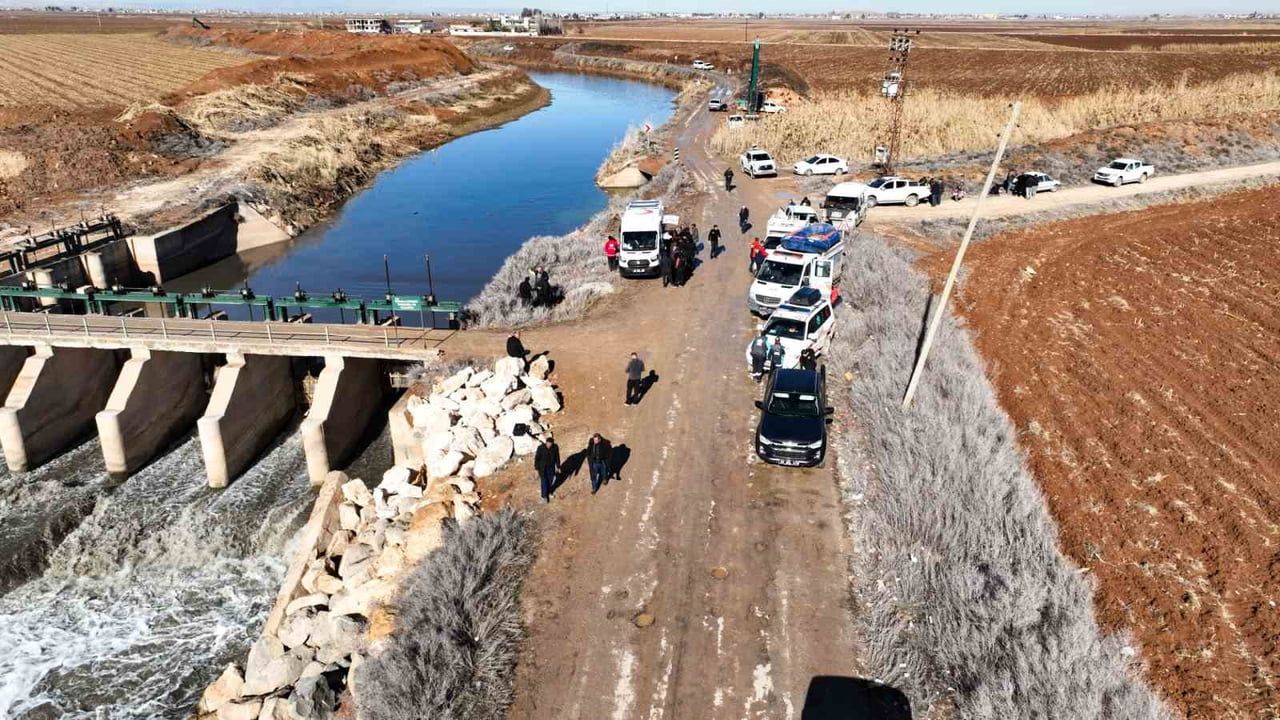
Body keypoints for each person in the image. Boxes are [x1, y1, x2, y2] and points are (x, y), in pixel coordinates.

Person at [534, 436, 560, 503]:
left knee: (550, 481)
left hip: (551, 468)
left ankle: (548, 492)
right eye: (548, 444)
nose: (549, 445)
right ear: (546, 443)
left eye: (550, 444)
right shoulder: (541, 448)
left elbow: (557, 457)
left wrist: (558, 466)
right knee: (544, 481)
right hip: (542, 468)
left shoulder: (555, 447)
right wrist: (536, 469)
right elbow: (537, 459)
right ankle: (544, 497)